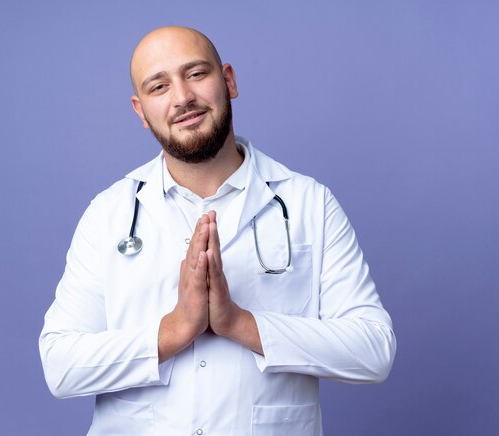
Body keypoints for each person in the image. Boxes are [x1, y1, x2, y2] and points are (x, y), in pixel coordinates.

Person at [39, 26, 396, 435]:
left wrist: (240, 323)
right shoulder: (108, 214)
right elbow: (60, 366)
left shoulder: (309, 204)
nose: (182, 97)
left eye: (195, 74)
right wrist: (173, 330)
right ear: (140, 111)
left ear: (228, 80)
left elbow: (374, 350)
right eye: (159, 86)